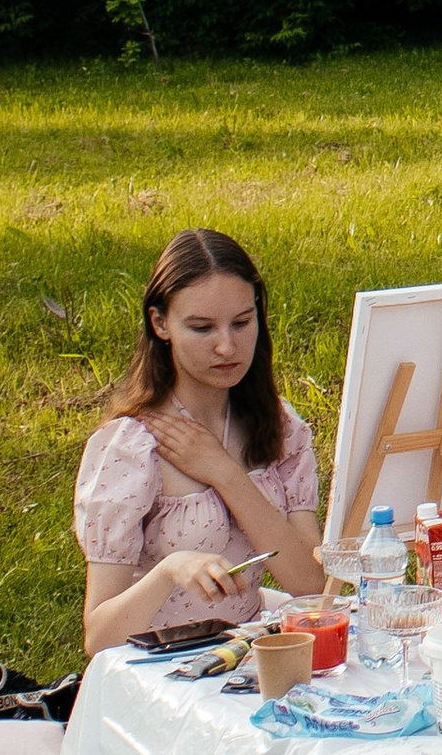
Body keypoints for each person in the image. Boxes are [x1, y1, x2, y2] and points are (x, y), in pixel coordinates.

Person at [75, 229, 325, 651]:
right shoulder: (131, 448)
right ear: (160, 324)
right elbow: (99, 637)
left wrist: (225, 474)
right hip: (156, 666)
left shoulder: (279, 426)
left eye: (242, 323)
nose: (227, 346)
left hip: (246, 656)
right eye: (201, 328)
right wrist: (170, 569)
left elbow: (311, 583)